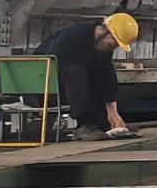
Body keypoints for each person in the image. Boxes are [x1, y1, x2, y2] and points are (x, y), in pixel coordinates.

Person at [40, 12, 141, 140]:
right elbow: (55, 66)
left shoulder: (101, 48)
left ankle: (104, 124)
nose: (112, 49)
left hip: (64, 91)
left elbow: (106, 77)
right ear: (104, 33)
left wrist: (113, 113)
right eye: (113, 44)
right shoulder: (71, 36)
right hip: (42, 91)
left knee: (98, 74)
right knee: (78, 72)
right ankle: (84, 125)